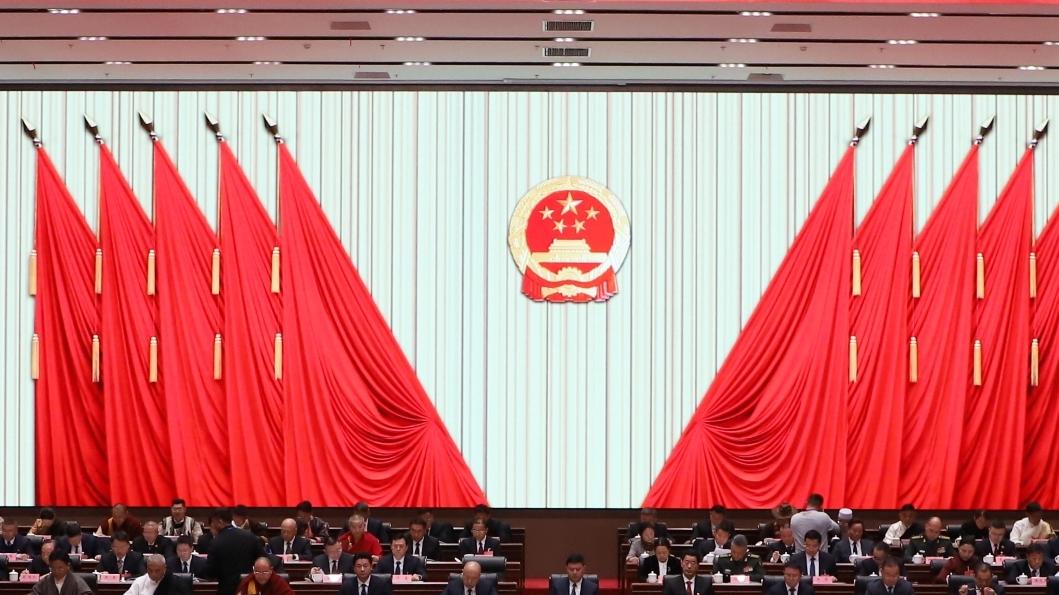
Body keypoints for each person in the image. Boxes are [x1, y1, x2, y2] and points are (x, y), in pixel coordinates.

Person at [204, 507, 266, 595]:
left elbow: (210, 572)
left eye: (213, 523)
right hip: (248, 588)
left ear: (220, 522)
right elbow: (264, 560)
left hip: (226, 590)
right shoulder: (250, 537)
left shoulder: (216, 542)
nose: (212, 526)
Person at [124, 554, 192, 595]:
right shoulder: (140, 582)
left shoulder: (176, 583)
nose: (153, 574)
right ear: (147, 568)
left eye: (157, 571)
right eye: (150, 570)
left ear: (164, 568)